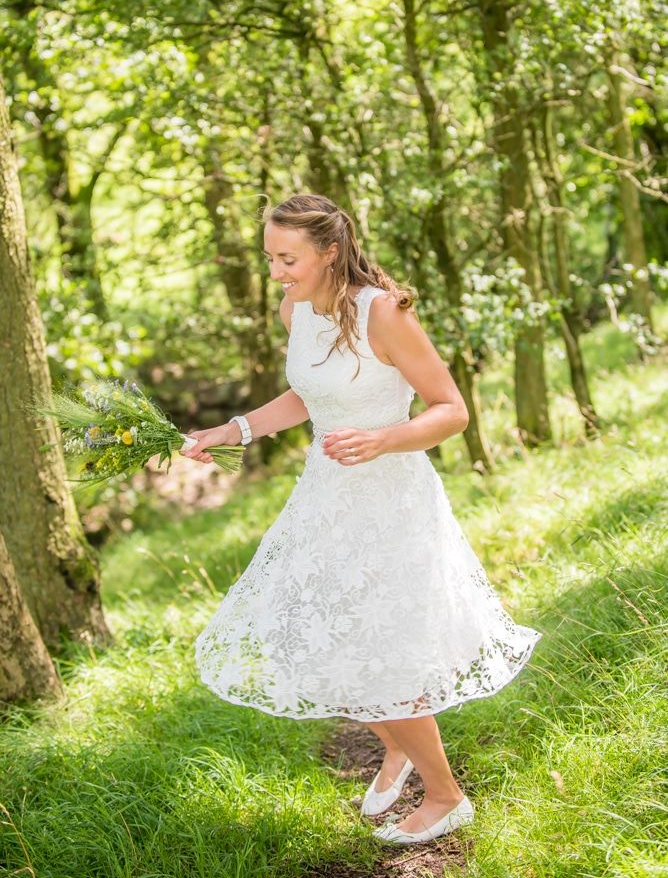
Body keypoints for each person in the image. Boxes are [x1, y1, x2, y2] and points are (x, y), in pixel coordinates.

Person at [180, 193, 542, 845]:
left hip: (393, 499)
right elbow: (307, 394)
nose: (276, 273)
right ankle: (396, 747)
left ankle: (445, 795)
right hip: (326, 495)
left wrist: (384, 438)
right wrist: (228, 430)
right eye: (269, 258)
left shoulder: (385, 313)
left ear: (330, 252)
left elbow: (451, 409)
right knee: (325, 639)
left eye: (287, 259)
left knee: (386, 648)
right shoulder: (296, 309)